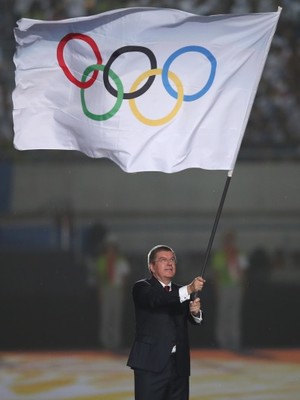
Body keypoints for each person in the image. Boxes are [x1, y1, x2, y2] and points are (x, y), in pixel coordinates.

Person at [127, 244, 206, 400]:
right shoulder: (142, 287)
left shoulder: (180, 291)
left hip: (179, 367)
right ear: (152, 267)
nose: (170, 263)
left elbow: (194, 320)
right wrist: (189, 289)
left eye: (172, 260)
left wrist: (196, 313)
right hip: (151, 365)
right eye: (163, 260)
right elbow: (158, 300)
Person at [211, 231, 248, 351]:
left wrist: (242, 286)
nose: (229, 242)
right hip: (224, 287)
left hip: (236, 287)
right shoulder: (220, 255)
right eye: (228, 240)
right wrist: (217, 289)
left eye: (231, 240)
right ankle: (222, 342)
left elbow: (243, 272)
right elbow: (216, 274)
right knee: (223, 315)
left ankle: (235, 341)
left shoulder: (240, 254)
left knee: (235, 315)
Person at [96, 234, 130, 351]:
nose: (110, 250)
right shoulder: (102, 260)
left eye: (112, 248)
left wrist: (121, 291)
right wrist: (101, 291)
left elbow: (124, 277)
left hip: (116, 289)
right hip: (106, 289)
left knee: (116, 316)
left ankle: (115, 342)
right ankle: (105, 342)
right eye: (108, 247)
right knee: (106, 316)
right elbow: (100, 277)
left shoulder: (120, 261)